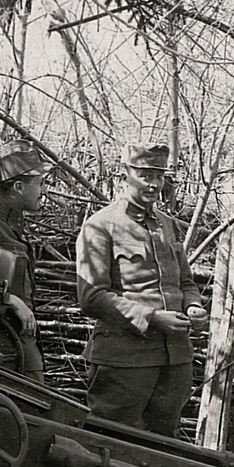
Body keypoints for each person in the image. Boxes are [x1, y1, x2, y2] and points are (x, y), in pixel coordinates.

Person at [75, 141, 207, 437]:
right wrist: (152, 317)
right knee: (111, 444)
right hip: (125, 362)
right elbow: (91, 297)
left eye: (159, 176)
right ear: (124, 175)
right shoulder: (100, 226)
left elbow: (185, 282)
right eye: (146, 175)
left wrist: (193, 306)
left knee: (163, 448)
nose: (154, 184)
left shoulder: (166, 225)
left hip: (174, 360)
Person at [0, 138, 48, 379]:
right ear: (19, 187)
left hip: (18, 344)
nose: (44, 191)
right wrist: (12, 301)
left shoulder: (13, 225)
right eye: (40, 184)